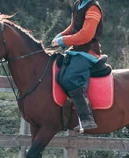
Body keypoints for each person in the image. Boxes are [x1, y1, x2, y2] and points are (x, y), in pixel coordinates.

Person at [51, 0, 103, 131]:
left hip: (89, 53)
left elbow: (86, 35)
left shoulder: (93, 8)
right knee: (60, 75)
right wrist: (60, 36)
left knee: (70, 78)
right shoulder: (77, 4)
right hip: (77, 51)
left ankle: (87, 118)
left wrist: (63, 41)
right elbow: (73, 27)